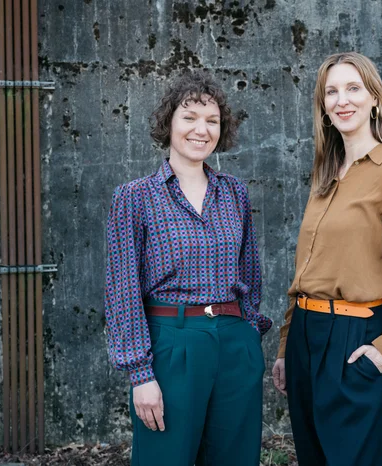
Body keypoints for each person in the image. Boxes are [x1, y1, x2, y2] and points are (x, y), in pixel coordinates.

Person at [271, 52, 382, 466]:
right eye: (331, 91)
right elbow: (307, 272)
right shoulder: (326, 177)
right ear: (323, 108)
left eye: (353, 88)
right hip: (305, 338)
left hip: (354, 339)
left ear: (375, 100)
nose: (341, 100)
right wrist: (285, 346)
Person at [104, 70, 272, 466]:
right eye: (190, 117)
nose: (202, 129)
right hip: (172, 344)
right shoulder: (135, 197)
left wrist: (249, 335)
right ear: (169, 124)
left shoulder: (234, 192)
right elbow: (122, 288)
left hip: (234, 344)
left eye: (212, 120)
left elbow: (249, 273)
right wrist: (140, 374)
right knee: (166, 458)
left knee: (235, 458)